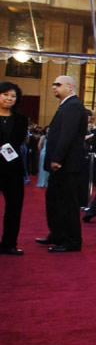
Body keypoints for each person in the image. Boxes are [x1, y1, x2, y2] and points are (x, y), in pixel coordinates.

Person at [37, 76, 88, 253]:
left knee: (67, 204)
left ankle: (72, 241)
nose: (53, 87)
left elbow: (67, 135)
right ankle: (57, 234)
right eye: (53, 84)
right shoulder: (66, 105)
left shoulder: (73, 106)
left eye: (58, 84)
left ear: (70, 87)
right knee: (55, 201)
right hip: (62, 164)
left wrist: (57, 158)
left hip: (67, 165)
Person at [0, 82, 28, 255]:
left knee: (14, 207)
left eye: (13, 96)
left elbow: (17, 142)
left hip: (13, 168)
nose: (9, 98)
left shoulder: (21, 119)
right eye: (5, 94)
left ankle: (9, 243)